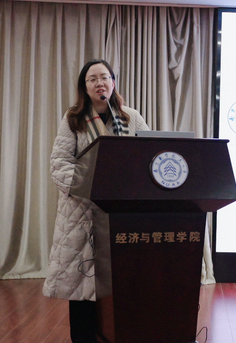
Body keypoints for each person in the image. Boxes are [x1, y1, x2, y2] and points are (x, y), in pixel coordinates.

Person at [43, 59, 149, 343]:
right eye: (92, 79)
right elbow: (60, 163)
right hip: (83, 211)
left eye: (104, 77)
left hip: (122, 212)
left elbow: (148, 154)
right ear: (85, 87)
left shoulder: (131, 117)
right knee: (82, 283)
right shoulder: (74, 118)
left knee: (120, 283)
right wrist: (90, 187)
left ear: (113, 82)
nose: (99, 83)